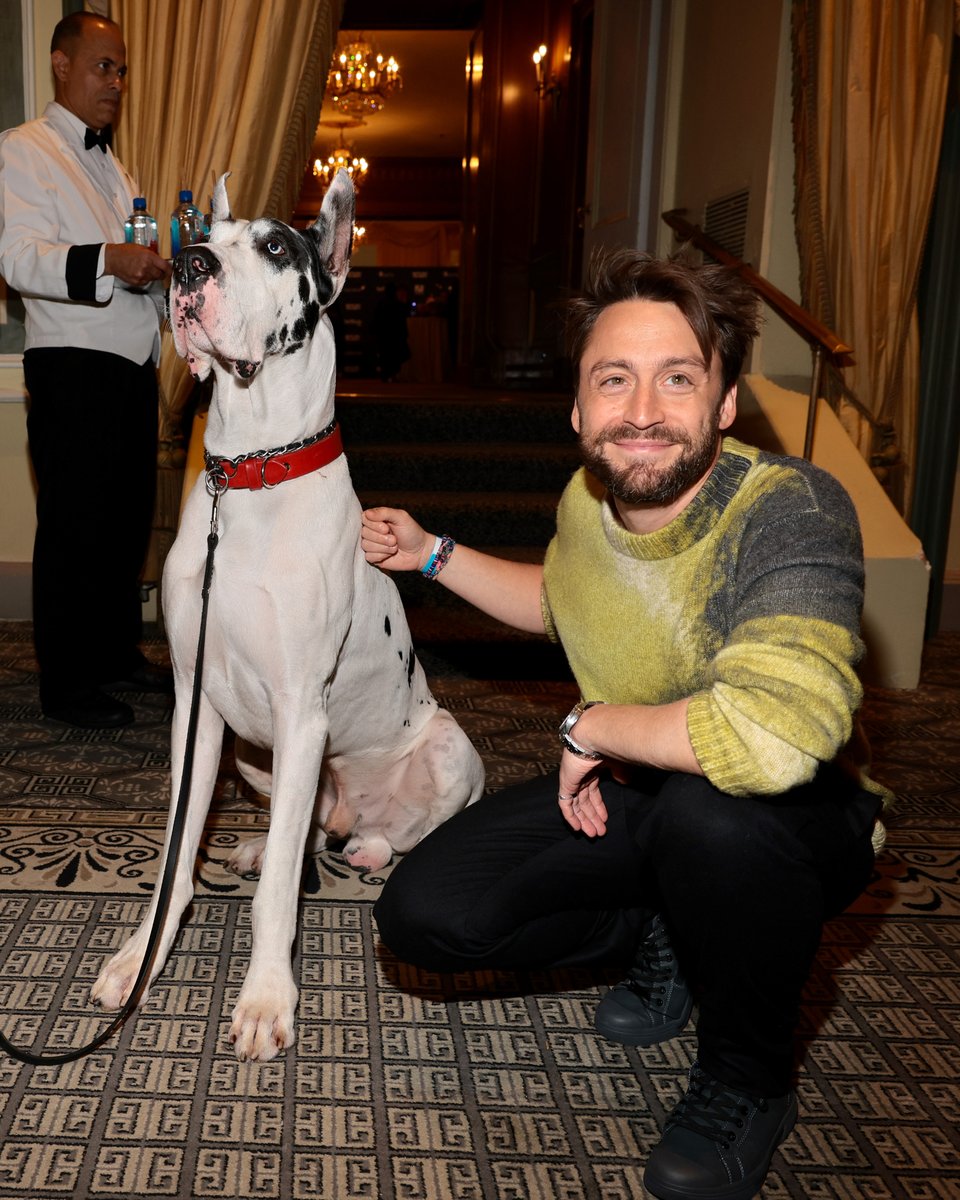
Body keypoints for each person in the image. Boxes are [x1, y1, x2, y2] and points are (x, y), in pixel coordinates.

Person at [360, 249, 888, 1200]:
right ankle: (677, 924)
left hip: (793, 814)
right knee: (426, 918)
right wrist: (431, 554)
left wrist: (594, 727)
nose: (642, 410)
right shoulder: (588, 499)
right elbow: (563, 601)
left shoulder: (793, 510)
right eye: (615, 379)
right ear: (577, 408)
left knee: (713, 823)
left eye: (676, 378)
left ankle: (747, 1078)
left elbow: (773, 736)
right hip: (644, 794)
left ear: (724, 402)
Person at [0, 12, 173, 729]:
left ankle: (112, 653)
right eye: (104, 66)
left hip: (132, 365)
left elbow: (126, 266)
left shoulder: (113, 161)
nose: (117, 82)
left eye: (123, 70)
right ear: (61, 65)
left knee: (124, 522)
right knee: (74, 525)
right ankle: (66, 684)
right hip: (72, 364)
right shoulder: (22, 149)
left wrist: (159, 277)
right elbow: (15, 258)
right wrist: (107, 258)